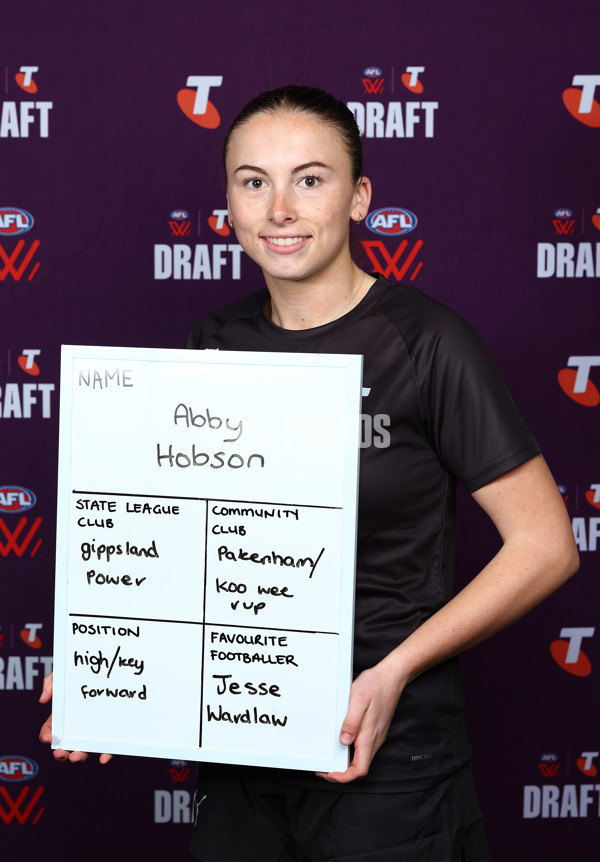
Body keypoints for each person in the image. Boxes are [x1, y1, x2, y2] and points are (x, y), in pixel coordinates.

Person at [40, 85, 579, 861]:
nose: (280, 208)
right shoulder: (212, 342)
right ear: (228, 201)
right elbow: (187, 544)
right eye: (254, 181)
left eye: (311, 179)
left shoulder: (428, 344)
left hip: (387, 755)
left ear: (359, 198)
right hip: (239, 749)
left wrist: (392, 674)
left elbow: (545, 546)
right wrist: (113, 677)